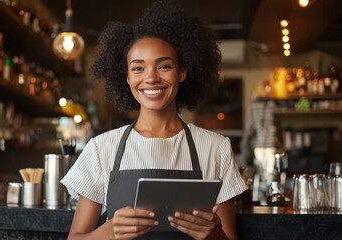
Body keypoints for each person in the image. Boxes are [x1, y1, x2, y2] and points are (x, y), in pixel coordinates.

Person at [60, 1, 247, 239]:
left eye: (164, 66)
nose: (151, 78)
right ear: (126, 77)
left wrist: (215, 234)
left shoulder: (215, 147)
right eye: (138, 68)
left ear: (182, 72)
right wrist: (109, 231)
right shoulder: (101, 148)